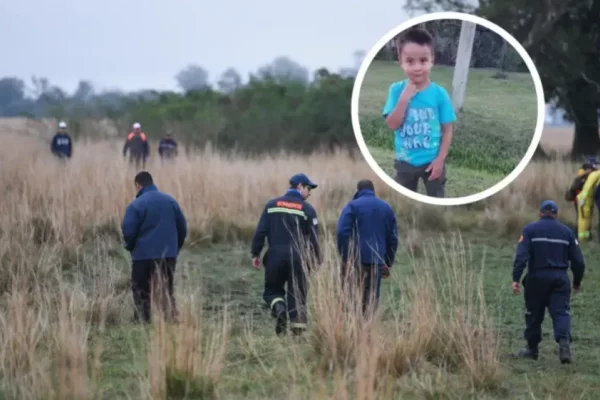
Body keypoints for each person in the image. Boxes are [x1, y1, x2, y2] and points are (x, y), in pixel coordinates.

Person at [382, 27, 457, 198]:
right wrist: (404, 99)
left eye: (423, 61)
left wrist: (440, 160)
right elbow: (393, 125)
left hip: (432, 161)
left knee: (437, 198)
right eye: (410, 61)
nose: (417, 67)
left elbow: (447, 129)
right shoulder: (396, 90)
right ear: (400, 62)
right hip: (405, 162)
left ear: (432, 61)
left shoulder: (440, 94)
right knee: (404, 201)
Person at [512, 200, 585, 364]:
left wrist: (516, 278)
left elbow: (521, 257)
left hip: (536, 279)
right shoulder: (567, 232)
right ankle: (564, 345)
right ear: (556, 215)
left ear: (539, 213)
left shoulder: (530, 230)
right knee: (561, 313)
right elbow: (579, 261)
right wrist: (577, 281)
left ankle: (532, 349)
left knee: (533, 315)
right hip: (560, 279)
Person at [250, 173, 322, 336]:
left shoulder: (271, 204)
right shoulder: (307, 209)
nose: (310, 192)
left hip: (274, 256)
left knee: (272, 291)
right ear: (299, 187)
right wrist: (316, 260)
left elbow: (261, 231)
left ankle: (279, 308)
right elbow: (314, 238)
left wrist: (255, 253)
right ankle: (297, 332)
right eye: (308, 188)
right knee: (297, 293)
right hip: (299, 258)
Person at [121, 171, 188, 324]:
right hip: (168, 255)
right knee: (166, 289)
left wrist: (131, 247)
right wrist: (174, 249)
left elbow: (128, 231)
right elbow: (183, 228)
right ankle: (170, 321)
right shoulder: (170, 201)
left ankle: (142, 321)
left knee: (141, 290)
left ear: (138, 185)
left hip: (143, 256)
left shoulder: (136, 205)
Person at [336, 179, 398, 318]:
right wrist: (387, 262)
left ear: (358, 190)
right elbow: (393, 238)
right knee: (371, 299)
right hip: (376, 261)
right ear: (373, 190)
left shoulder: (352, 206)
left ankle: (351, 330)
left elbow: (342, 232)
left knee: (351, 297)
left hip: (355, 261)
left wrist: (346, 257)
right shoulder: (386, 208)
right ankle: (367, 332)